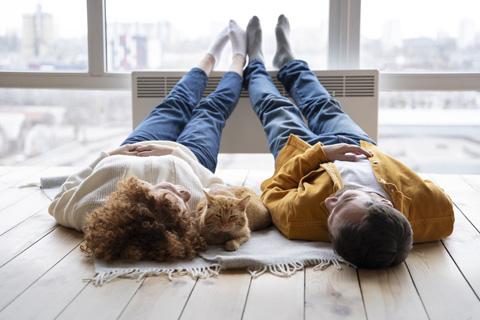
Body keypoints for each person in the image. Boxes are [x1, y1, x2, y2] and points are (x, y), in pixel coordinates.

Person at [243, 15, 454, 268]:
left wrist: (320, 154)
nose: (329, 203)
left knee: (274, 106)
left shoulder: (297, 220)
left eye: (330, 217)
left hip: (302, 154)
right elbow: (422, 185)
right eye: (344, 200)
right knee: (322, 102)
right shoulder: (437, 212)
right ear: (384, 203)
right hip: (359, 143)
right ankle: (287, 61)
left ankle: (254, 62)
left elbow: (272, 190)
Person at [48, 21, 248, 261]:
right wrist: (176, 154)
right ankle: (238, 59)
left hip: (134, 147)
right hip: (190, 154)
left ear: (140, 202)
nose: (185, 193)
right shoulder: (192, 215)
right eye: (184, 204)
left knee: (176, 102)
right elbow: (217, 186)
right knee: (212, 110)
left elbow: (58, 201)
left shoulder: (93, 209)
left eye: (170, 192)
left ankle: (209, 58)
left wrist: (109, 155)